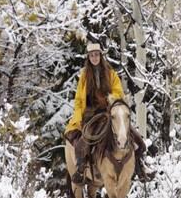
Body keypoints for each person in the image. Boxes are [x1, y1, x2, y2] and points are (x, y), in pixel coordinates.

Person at [64, 41, 150, 184]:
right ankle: (80, 170)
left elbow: (118, 92)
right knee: (81, 144)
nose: (94, 58)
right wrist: (79, 117)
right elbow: (79, 99)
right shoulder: (84, 77)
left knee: (137, 140)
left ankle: (140, 167)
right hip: (91, 115)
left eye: (97, 55)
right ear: (89, 58)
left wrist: (110, 101)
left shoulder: (110, 74)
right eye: (92, 55)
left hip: (109, 112)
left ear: (101, 56)